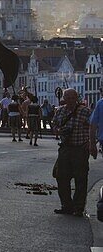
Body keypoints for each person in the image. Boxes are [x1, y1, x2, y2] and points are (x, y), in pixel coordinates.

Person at [53, 88, 95, 217]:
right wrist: (58, 131)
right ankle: (66, 205)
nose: (70, 100)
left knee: (80, 178)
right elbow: (54, 125)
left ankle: (78, 207)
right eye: (68, 98)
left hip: (80, 148)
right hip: (65, 148)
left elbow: (93, 127)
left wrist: (90, 143)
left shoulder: (85, 111)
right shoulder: (60, 111)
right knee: (61, 177)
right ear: (64, 99)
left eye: (72, 98)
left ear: (76, 98)